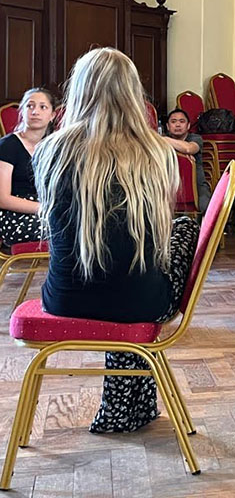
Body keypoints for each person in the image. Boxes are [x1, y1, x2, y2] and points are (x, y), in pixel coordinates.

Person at [34, 47, 200, 433]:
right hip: (140, 301)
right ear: (132, 95)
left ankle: (126, 410)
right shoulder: (157, 152)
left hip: (64, 297)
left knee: (117, 267)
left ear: (79, 92)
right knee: (181, 229)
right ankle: (127, 409)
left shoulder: (50, 150)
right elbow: (156, 237)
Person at [0, 88, 57, 246]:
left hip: (48, 210)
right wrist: (45, 209)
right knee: (68, 229)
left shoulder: (55, 147)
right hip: (15, 215)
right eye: (30, 106)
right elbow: (2, 199)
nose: (35, 112)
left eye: (42, 107)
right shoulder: (7, 146)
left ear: (52, 115)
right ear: (22, 111)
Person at [162, 108, 211, 212]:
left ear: (188, 125)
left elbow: (189, 148)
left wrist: (164, 140)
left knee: (207, 209)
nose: (178, 125)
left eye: (182, 121)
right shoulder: (161, 143)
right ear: (167, 126)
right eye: (173, 122)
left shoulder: (195, 138)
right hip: (170, 187)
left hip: (197, 186)